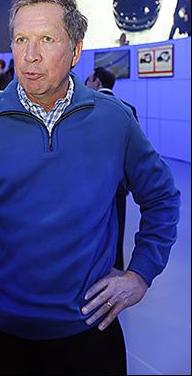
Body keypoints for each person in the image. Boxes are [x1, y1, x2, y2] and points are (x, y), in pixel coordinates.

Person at [0, 0, 180, 375]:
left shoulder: (115, 120)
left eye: (46, 39)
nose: (29, 55)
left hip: (88, 333)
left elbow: (162, 198)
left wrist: (140, 273)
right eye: (21, 39)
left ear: (74, 51)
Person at [85, 66, 138, 271]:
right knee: (119, 227)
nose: (86, 84)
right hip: (118, 183)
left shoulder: (86, 107)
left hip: (90, 184)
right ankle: (116, 271)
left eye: (89, 80)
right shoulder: (128, 108)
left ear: (97, 82)